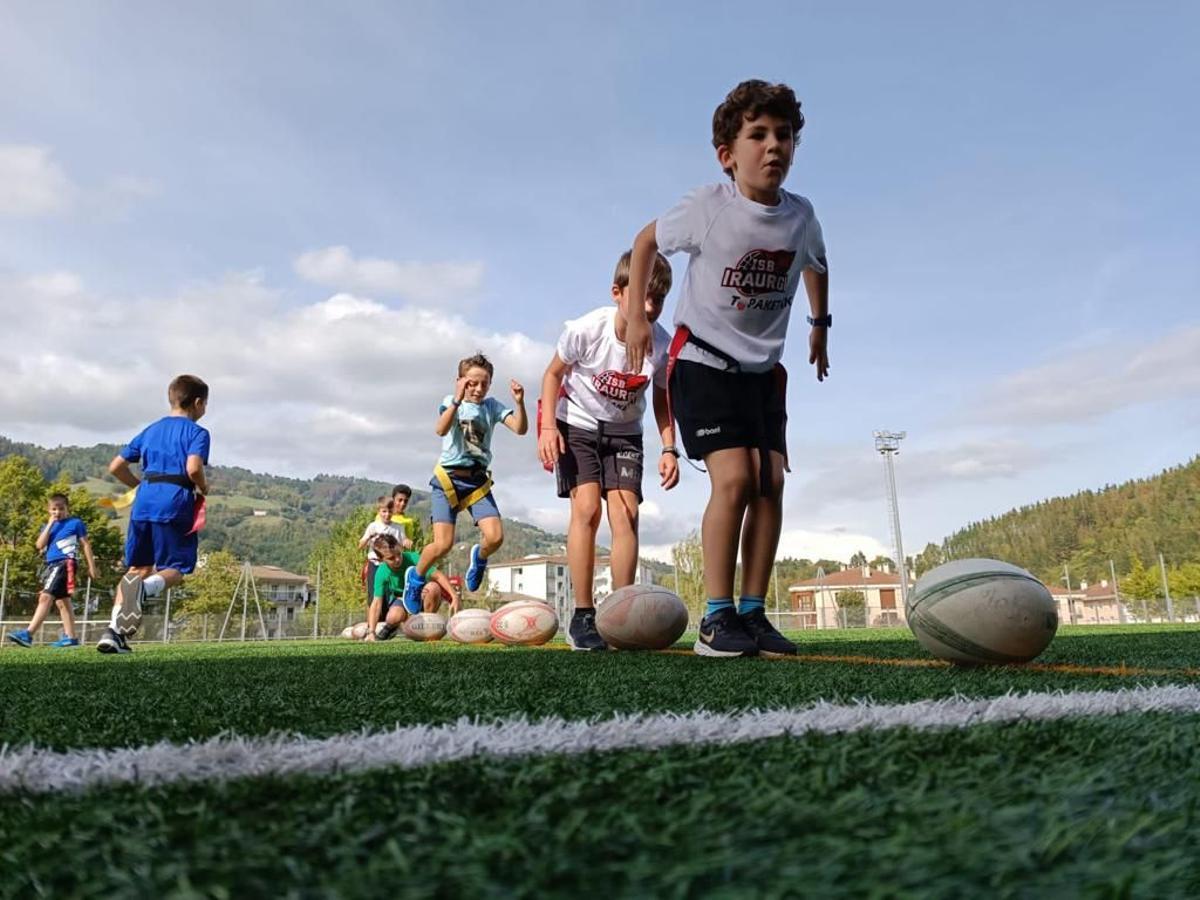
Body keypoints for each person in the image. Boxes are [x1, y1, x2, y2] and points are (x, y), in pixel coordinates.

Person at [622, 80, 830, 658]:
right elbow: (644, 244)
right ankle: (716, 619)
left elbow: (817, 263)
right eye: (757, 135)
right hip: (703, 361)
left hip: (763, 373)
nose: (774, 147)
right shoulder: (708, 207)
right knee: (735, 478)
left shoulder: (801, 216)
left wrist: (820, 324)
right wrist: (640, 319)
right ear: (727, 155)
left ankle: (754, 614)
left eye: (784, 136)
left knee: (771, 482)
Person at [537, 250, 680, 651]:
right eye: (642, 298)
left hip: (624, 432)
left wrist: (670, 447)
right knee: (587, 508)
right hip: (577, 423)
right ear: (618, 293)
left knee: (627, 513)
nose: (650, 308)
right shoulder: (587, 330)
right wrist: (549, 426)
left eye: (659, 299)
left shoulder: (662, 346)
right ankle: (583, 615)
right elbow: (552, 375)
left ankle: (621, 613)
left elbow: (664, 401)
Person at [403, 353, 527, 608]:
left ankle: (479, 557)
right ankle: (415, 579)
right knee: (443, 544)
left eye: (484, 383)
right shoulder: (451, 401)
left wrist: (520, 403)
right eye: (471, 383)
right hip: (448, 479)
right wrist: (457, 401)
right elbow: (440, 429)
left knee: (495, 537)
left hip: (477, 482)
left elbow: (520, 429)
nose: (478, 389)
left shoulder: (491, 406)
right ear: (459, 381)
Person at [99, 374, 211, 654]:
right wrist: (203, 487)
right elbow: (194, 467)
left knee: (137, 569)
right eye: (205, 404)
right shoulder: (197, 433)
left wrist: (140, 487)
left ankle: (113, 633)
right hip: (175, 502)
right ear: (198, 403)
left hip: (144, 501)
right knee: (178, 567)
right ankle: (145, 592)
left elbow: (115, 467)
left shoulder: (150, 430)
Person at [6, 493, 97, 648]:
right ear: (49, 511)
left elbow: (85, 544)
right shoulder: (48, 527)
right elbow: (39, 545)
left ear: (67, 508)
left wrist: (92, 566)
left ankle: (28, 634)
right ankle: (71, 638)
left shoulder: (75, 523)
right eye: (54, 509)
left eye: (61, 509)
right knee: (62, 601)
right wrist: (49, 525)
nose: (57, 512)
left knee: (45, 597)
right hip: (52, 566)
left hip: (65, 564)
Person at [365, 534, 459, 641]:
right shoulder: (381, 572)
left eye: (399, 554)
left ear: (400, 547)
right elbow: (376, 603)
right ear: (381, 560)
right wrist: (371, 632)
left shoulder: (413, 558)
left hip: (421, 595)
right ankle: (392, 627)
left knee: (433, 588)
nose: (397, 559)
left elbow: (437, 575)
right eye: (391, 558)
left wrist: (454, 597)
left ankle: (427, 628)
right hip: (400, 600)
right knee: (393, 617)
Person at [357, 496, 405, 606]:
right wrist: (368, 537)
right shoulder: (373, 526)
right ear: (378, 511)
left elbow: (402, 546)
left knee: (389, 594)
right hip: (375, 564)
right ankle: (374, 619)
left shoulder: (398, 528)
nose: (387, 514)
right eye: (384, 511)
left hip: (390, 565)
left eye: (390, 511)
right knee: (374, 594)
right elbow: (360, 545)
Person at [390, 484, 416, 549]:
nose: (402, 504)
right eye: (400, 500)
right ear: (393, 499)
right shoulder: (382, 516)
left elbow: (408, 543)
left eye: (405, 501)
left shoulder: (408, 521)